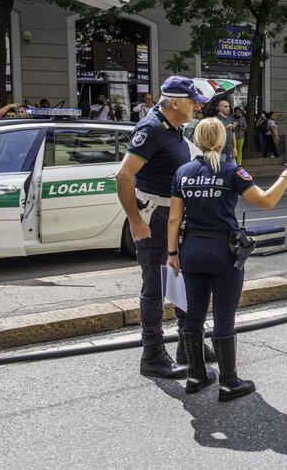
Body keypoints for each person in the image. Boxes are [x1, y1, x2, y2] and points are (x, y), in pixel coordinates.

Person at [166, 117, 287, 400]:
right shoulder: (232, 172)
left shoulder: (182, 173)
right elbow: (267, 201)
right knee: (224, 317)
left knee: (193, 315)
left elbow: (174, 218)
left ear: (196, 140)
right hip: (224, 252)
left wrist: (172, 253)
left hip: (191, 250)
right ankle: (229, 382)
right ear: (222, 141)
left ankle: (195, 375)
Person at [115, 76, 210, 379]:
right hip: (155, 217)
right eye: (193, 100)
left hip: (172, 216)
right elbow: (123, 175)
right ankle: (152, 355)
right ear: (175, 102)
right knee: (155, 289)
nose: (197, 105)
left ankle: (187, 343)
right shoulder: (151, 129)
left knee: (182, 279)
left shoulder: (172, 128)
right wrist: (135, 220)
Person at [216, 99, 237, 165]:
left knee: (234, 171)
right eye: (225, 107)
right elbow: (214, 134)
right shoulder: (216, 119)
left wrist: (235, 148)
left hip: (230, 150)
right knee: (221, 173)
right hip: (220, 151)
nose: (228, 108)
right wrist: (225, 128)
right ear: (220, 108)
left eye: (228, 106)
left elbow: (233, 133)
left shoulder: (230, 119)